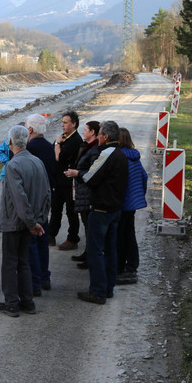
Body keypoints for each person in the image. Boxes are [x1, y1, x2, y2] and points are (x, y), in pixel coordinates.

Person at [0, 125, 51, 317]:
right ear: (27, 140)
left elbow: (19, 198)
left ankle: (12, 303)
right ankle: (27, 301)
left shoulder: (12, 165)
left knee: (10, 263)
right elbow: (47, 193)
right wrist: (39, 219)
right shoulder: (37, 162)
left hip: (15, 222)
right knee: (24, 262)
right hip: (32, 221)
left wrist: (30, 222)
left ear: (10, 142)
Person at [74, 120, 128, 305]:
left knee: (95, 252)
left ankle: (97, 292)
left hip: (101, 209)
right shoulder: (121, 154)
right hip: (115, 208)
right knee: (110, 250)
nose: (97, 138)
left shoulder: (107, 153)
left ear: (105, 136)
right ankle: (108, 288)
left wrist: (77, 174)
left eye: (99, 134)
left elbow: (90, 177)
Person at [24, 114, 56, 295]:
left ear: (30, 129)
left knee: (32, 240)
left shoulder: (29, 148)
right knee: (43, 238)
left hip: (32, 198)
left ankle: (34, 281)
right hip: (46, 197)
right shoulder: (49, 146)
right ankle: (44, 276)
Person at [64, 120, 101, 267]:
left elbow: (93, 172)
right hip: (82, 191)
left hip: (88, 193)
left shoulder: (95, 149)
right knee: (87, 225)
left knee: (90, 226)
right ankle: (88, 253)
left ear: (92, 132)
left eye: (85, 130)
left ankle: (90, 257)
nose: (83, 132)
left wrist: (77, 173)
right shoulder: (86, 146)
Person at [116, 127, 148, 285]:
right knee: (129, 234)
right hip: (132, 203)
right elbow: (144, 176)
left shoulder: (120, 157)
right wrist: (139, 194)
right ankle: (132, 266)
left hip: (123, 202)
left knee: (120, 236)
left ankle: (121, 267)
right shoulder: (135, 157)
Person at [50, 111, 82, 250]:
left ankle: (72, 239)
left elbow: (59, 157)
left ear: (73, 124)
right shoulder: (64, 137)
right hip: (59, 180)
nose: (62, 125)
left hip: (69, 182)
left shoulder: (75, 140)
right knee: (55, 209)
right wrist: (57, 144)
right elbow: (53, 152)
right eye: (62, 122)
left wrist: (57, 143)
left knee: (71, 211)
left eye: (65, 122)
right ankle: (51, 235)